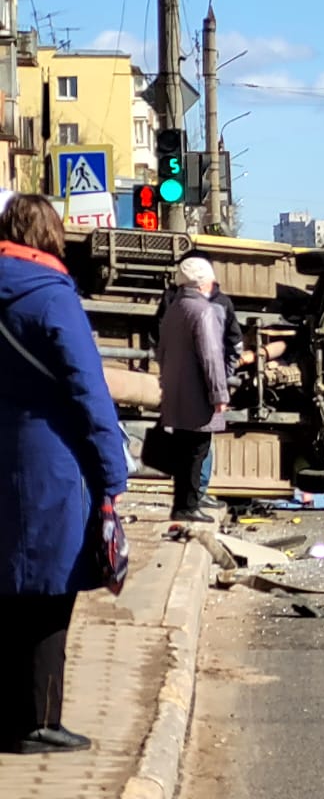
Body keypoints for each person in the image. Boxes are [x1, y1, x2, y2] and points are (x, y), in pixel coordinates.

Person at [0, 194, 128, 755]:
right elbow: (88, 393)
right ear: (50, 236)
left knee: (7, 594)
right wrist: (112, 474)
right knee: (50, 598)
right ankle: (38, 722)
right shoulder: (52, 298)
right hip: (48, 463)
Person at [155, 252, 243, 509]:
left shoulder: (173, 303)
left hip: (177, 382)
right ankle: (194, 499)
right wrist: (222, 384)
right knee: (201, 443)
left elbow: (159, 340)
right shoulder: (215, 305)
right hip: (205, 383)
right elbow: (226, 348)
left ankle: (187, 500)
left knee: (186, 444)